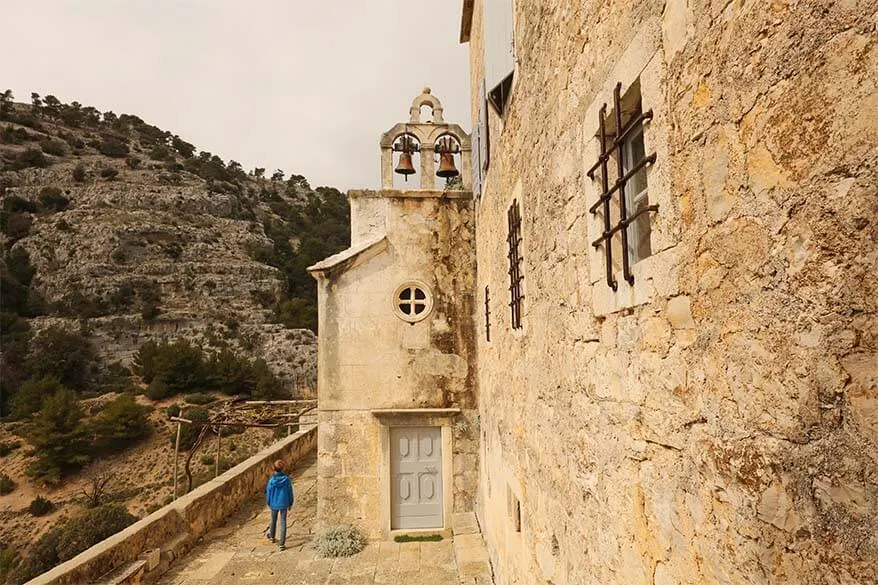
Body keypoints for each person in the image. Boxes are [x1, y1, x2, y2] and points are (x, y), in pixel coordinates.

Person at [265, 459, 294, 551]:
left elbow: (268, 493)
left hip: (274, 503)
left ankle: (272, 536)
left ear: (274, 468)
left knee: (273, 520)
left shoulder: (271, 481)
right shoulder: (287, 480)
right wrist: (290, 502)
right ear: (283, 469)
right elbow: (290, 492)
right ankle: (282, 543)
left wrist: (268, 502)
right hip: (284, 502)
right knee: (283, 522)